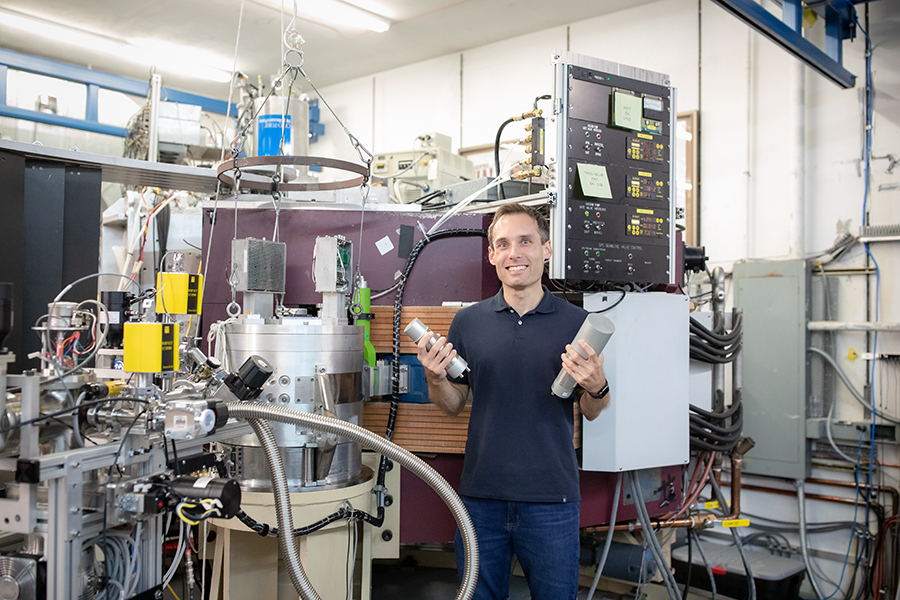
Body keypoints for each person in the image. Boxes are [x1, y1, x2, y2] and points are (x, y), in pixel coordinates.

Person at [416, 202, 611, 600]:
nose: (514, 253)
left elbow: (592, 410)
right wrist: (435, 378)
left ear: (547, 248)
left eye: (525, 241)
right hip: (480, 499)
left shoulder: (577, 323)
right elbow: (454, 405)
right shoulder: (468, 322)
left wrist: (597, 385)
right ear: (491, 255)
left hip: (551, 500)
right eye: (502, 244)